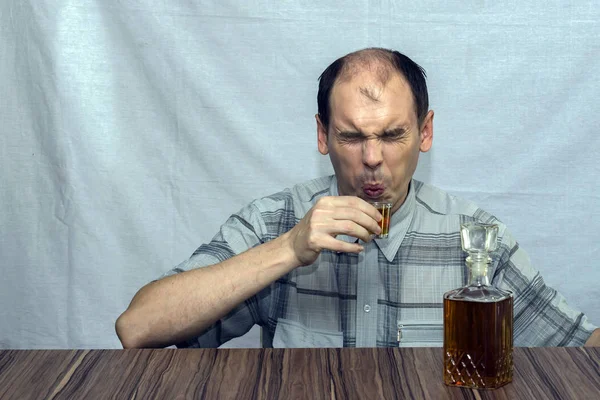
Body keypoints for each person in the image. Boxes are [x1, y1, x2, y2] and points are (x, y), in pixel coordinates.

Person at [115, 48, 600, 349]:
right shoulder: (274, 221)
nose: (372, 158)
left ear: (425, 132)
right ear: (322, 136)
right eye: (351, 137)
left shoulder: (473, 238)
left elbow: (578, 348)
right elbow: (139, 328)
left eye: (392, 135)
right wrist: (287, 249)